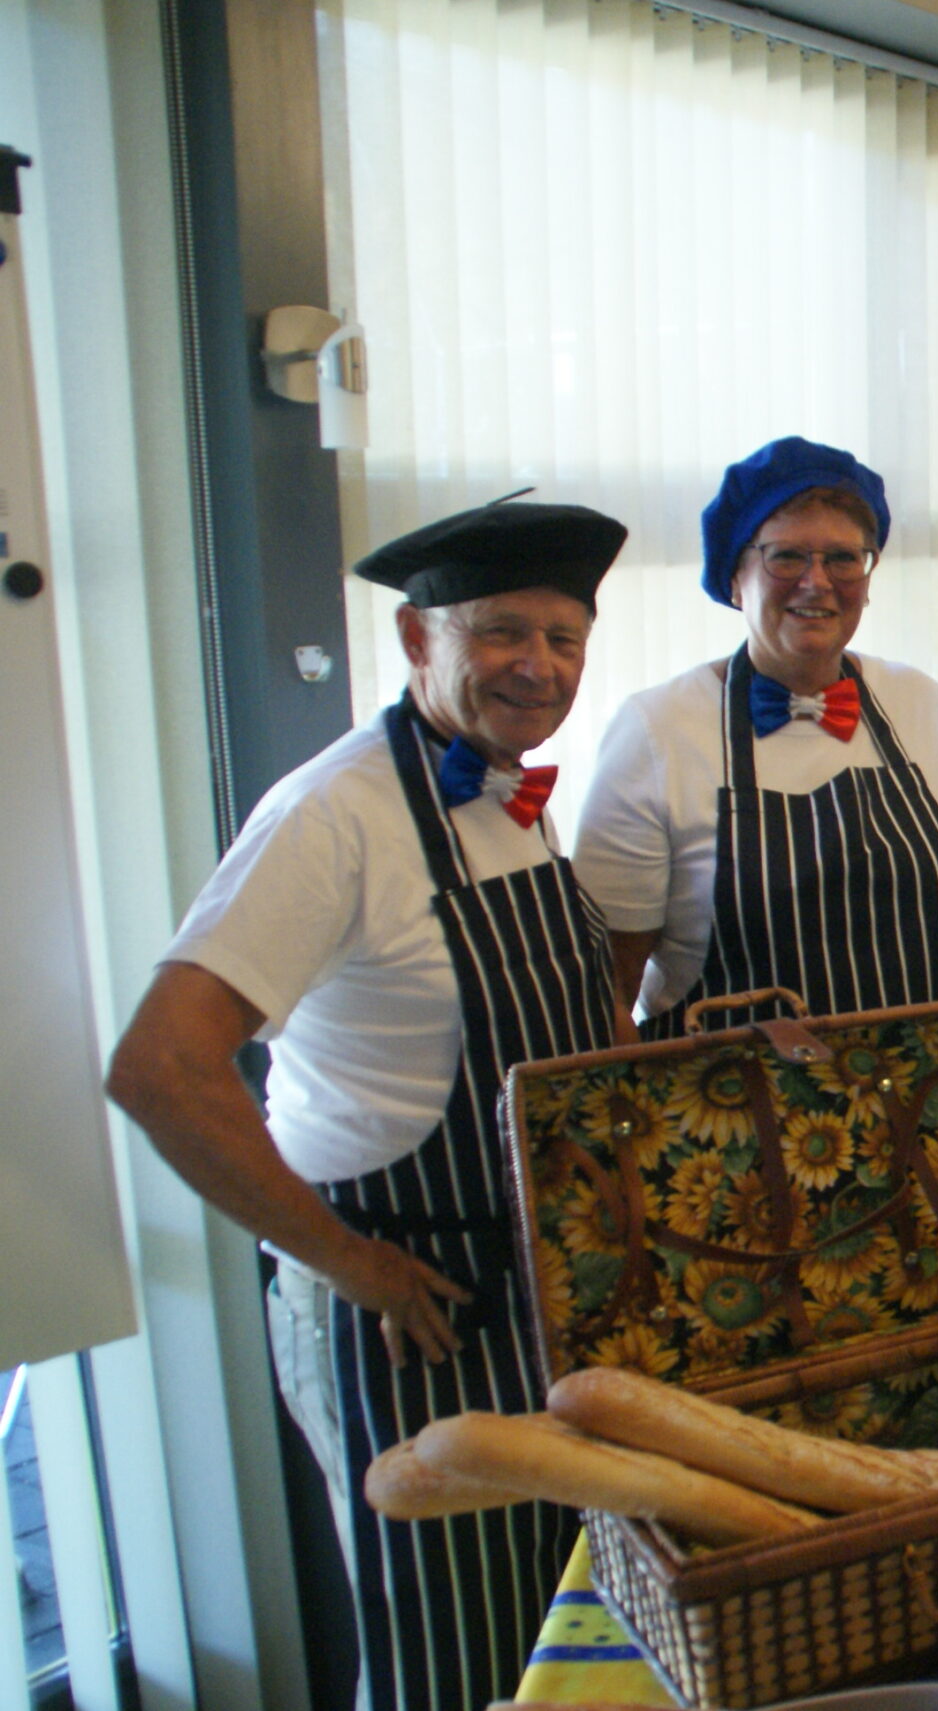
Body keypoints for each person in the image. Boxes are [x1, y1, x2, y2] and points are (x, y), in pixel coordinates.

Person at [104, 499, 628, 1711]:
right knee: (445, 1645)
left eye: (562, 637)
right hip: (413, 1313)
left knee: (543, 1636)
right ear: (415, 640)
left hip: (537, 1297)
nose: (537, 666)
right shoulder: (332, 815)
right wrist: (350, 1261)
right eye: (501, 632)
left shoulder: (506, 794)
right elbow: (162, 1067)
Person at [577, 437, 938, 1033]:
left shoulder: (917, 700)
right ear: (734, 578)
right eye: (786, 557)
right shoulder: (658, 730)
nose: (817, 581)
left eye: (843, 558)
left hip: (929, 1086)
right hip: (731, 1088)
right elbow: (608, 989)